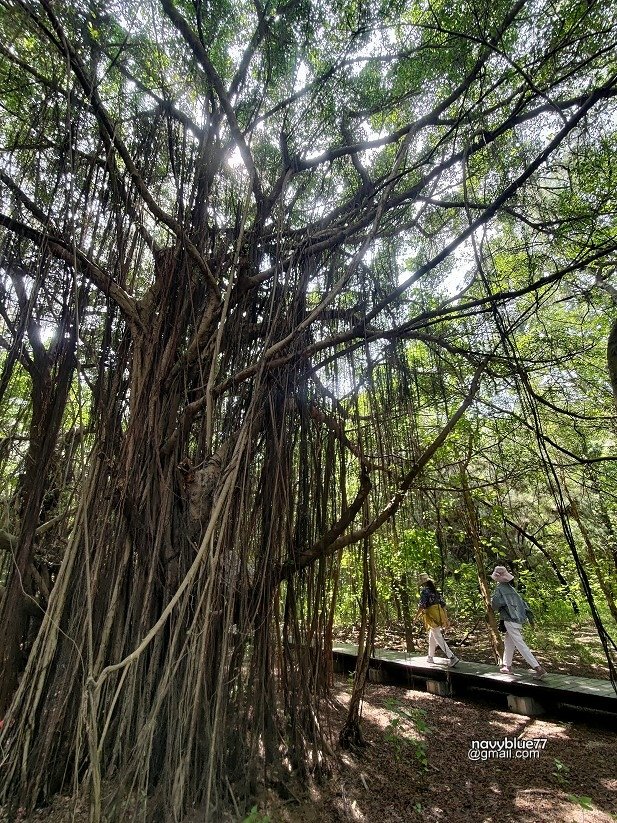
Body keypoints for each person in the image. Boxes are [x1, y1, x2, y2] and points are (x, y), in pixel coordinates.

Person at [490, 565, 547, 679]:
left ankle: (538, 668)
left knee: (520, 644)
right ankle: (507, 666)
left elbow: (495, 605)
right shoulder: (512, 589)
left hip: (509, 619)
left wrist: (491, 602)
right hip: (518, 619)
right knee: (509, 642)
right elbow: (522, 604)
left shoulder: (499, 589)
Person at [415, 573, 460, 667]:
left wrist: (416, 617)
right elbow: (443, 604)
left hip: (432, 615)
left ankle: (452, 657)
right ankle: (430, 657)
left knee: (437, 636)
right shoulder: (435, 591)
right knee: (432, 635)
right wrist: (446, 618)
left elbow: (422, 605)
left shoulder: (425, 591)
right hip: (439, 613)